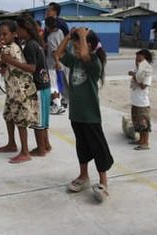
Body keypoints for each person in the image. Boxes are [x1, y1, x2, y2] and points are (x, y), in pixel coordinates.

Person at [56, 28, 114, 203]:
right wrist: (68, 36)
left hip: (91, 116)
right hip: (77, 115)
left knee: (98, 148)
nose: (75, 49)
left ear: (89, 45)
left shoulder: (94, 62)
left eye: (77, 45)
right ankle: (84, 176)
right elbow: (58, 54)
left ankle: (103, 182)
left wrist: (82, 35)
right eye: (74, 46)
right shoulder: (75, 62)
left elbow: (84, 53)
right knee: (82, 147)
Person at [4, 15, 51, 157]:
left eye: (18, 29)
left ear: (25, 29)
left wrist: (10, 61)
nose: (17, 32)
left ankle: (41, 149)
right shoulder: (34, 42)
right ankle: (45, 145)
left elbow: (31, 68)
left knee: (39, 122)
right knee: (42, 120)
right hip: (44, 85)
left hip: (40, 86)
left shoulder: (31, 45)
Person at [0, 20, 38, 164]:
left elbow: (27, 67)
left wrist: (7, 60)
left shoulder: (12, 48)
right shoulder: (5, 47)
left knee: (20, 120)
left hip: (20, 90)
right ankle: (12, 143)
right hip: (12, 90)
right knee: (8, 116)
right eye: (0, 34)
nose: (1, 37)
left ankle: (25, 151)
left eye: (5, 34)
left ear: (13, 34)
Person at [128, 49, 153, 150]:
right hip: (135, 101)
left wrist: (135, 76)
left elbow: (143, 86)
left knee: (144, 123)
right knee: (138, 122)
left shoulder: (147, 71)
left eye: (140, 60)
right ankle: (141, 140)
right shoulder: (138, 70)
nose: (137, 62)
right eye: (136, 59)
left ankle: (145, 142)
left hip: (142, 103)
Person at [45, 16, 66, 115]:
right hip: (61, 62)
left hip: (52, 65)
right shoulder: (60, 32)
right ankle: (59, 104)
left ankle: (57, 106)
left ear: (47, 26)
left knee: (52, 86)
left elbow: (54, 53)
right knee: (58, 85)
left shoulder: (50, 37)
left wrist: (56, 63)